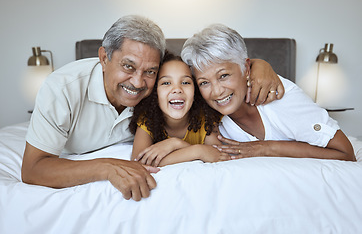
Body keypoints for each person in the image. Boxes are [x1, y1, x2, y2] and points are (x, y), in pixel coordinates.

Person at [21, 15, 285, 202]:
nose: (137, 82)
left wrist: (260, 64)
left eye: (150, 72)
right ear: (104, 58)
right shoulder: (63, 88)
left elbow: (213, 74)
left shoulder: (157, 93)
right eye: (128, 66)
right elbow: (33, 170)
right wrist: (108, 168)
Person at [181, 24, 356, 161]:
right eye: (204, 82)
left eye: (224, 75)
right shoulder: (203, 112)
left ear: (246, 68)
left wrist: (265, 148)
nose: (217, 91)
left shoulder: (281, 98)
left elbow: (346, 154)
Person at [129, 52, 229, 167]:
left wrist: (175, 145)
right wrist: (198, 151)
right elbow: (139, 161)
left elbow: (216, 155)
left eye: (185, 82)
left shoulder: (205, 119)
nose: (177, 89)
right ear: (155, 92)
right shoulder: (147, 120)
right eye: (166, 83)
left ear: (195, 90)